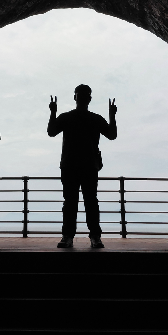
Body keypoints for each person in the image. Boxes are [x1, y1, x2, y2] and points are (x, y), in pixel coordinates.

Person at [47, 85, 117, 248]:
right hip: (88, 165)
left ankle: (68, 237)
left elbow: (51, 131)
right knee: (90, 202)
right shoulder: (95, 119)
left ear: (75, 97)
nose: (83, 97)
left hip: (71, 165)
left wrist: (53, 112)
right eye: (83, 95)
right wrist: (112, 116)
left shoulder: (67, 117)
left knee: (71, 202)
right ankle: (94, 237)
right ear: (88, 99)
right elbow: (112, 135)